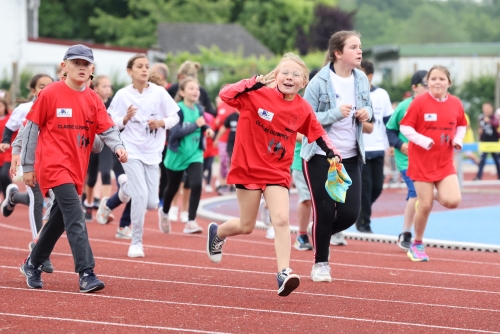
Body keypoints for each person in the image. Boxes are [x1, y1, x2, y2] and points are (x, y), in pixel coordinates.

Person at [206, 52, 341, 297]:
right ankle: (219, 232)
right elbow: (226, 95)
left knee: (281, 219)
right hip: (247, 168)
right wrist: (251, 83)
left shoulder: (302, 108)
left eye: (296, 74)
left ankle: (283, 272)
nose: (289, 77)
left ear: (304, 82)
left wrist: (332, 153)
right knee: (246, 226)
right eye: (285, 73)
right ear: (275, 76)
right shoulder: (255, 94)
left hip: (276, 171)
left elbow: (318, 134)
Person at [19, 44, 128, 292]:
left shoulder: (93, 99)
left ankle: (33, 263)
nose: (81, 67)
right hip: (53, 167)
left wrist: (118, 146)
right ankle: (86, 272)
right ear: (64, 66)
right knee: (76, 214)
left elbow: (108, 130)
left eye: (85, 64)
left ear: (92, 70)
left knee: (59, 220)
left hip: (77, 168)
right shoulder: (50, 94)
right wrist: (27, 165)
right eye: (76, 63)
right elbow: (31, 130)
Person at [301, 31, 372, 283]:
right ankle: (321, 263)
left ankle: (317, 230)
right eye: (354, 47)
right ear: (338, 53)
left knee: (349, 214)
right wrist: (333, 113)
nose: (359, 51)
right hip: (321, 154)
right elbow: (304, 119)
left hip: (351, 156)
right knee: (323, 208)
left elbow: (370, 109)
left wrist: (366, 113)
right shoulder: (319, 81)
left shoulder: (361, 78)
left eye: (360, 47)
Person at [106, 53, 180, 258]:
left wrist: (162, 123)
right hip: (131, 149)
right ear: (130, 71)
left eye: (147, 66)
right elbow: (111, 122)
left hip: (153, 151)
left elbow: (175, 115)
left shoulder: (159, 93)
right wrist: (125, 119)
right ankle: (136, 242)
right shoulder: (122, 95)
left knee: (151, 203)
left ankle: (124, 188)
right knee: (139, 196)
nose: (145, 70)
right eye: (140, 66)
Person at [400, 65, 467, 262]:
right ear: (427, 82)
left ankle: (428, 195)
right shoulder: (419, 102)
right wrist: (422, 140)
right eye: (433, 79)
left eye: (441, 79)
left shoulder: (455, 103)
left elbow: (462, 125)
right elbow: (405, 126)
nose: (437, 82)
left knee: (453, 201)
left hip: (445, 162)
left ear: (449, 82)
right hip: (421, 162)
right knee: (426, 205)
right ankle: (417, 244)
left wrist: (458, 140)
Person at [159, 77, 214, 234]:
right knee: (173, 187)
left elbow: (202, 123)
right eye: (191, 88)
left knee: (196, 184)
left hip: (195, 154)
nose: (196, 91)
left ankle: (190, 221)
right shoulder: (178, 110)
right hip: (177, 155)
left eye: (197, 88)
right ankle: (164, 211)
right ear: (182, 92)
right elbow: (175, 134)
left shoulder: (199, 109)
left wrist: (207, 129)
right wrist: (196, 125)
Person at [386, 70, 428, 250]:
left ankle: (414, 233)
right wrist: (398, 144)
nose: (429, 87)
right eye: (426, 84)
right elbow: (390, 129)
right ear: (415, 87)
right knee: (416, 194)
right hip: (407, 160)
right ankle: (407, 233)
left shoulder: (435, 107)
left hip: (427, 160)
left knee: (428, 197)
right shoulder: (404, 106)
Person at [355, 60, 393, 233]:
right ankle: (364, 223)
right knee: (366, 188)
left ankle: (359, 211)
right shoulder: (352, 93)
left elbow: (389, 122)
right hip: (360, 149)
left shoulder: (382, 94)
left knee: (377, 187)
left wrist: (392, 143)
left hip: (378, 147)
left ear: (370, 76)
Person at [83, 75, 115, 222]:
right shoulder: (88, 102)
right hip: (91, 143)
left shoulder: (114, 105)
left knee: (106, 173)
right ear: (95, 88)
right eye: (104, 86)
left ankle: (106, 208)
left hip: (107, 143)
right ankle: (89, 204)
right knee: (92, 178)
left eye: (109, 87)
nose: (108, 89)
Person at [475, 102, 500, 180]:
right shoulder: (481, 117)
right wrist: (479, 134)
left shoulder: (495, 117)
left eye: (488, 108)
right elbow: (479, 128)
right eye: (484, 108)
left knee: (497, 160)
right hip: (484, 142)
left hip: (494, 142)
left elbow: (497, 125)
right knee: (482, 160)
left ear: (491, 108)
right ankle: (479, 176)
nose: (486, 110)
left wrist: (489, 121)